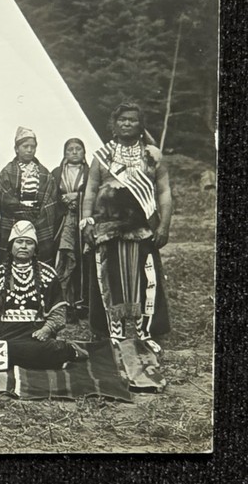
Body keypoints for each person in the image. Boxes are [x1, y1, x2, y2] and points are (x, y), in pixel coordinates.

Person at [81, 102, 171, 350]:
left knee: (146, 277)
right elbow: (90, 190)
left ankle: (146, 332)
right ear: (114, 124)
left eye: (132, 120)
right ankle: (114, 332)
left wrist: (164, 225)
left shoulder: (152, 155)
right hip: (107, 227)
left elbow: (164, 192)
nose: (126, 123)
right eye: (122, 120)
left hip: (143, 228)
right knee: (109, 277)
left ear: (140, 125)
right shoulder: (102, 156)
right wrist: (86, 221)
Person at [0, 221, 89, 369]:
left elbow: (59, 311)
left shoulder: (48, 274)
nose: (23, 246)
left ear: (35, 248)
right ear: (11, 247)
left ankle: (68, 350)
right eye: (19, 242)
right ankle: (46, 359)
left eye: (29, 243)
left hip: (35, 334)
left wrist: (47, 329)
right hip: (5, 334)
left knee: (45, 349)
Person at [0, 127, 58, 265]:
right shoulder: (7, 172)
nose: (29, 150)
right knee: (10, 257)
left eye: (33, 147)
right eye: (25, 146)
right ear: (16, 149)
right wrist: (24, 213)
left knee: (39, 259)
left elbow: (49, 200)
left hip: (38, 219)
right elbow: (5, 198)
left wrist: (37, 215)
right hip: (13, 219)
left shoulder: (45, 174)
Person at [51, 138, 91, 318]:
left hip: (83, 223)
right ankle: (64, 302)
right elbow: (51, 197)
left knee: (83, 260)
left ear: (84, 153)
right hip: (63, 222)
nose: (74, 152)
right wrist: (64, 200)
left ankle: (82, 304)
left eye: (78, 149)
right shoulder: (57, 173)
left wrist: (79, 196)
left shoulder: (91, 173)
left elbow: (95, 194)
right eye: (70, 150)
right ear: (64, 154)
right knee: (64, 258)